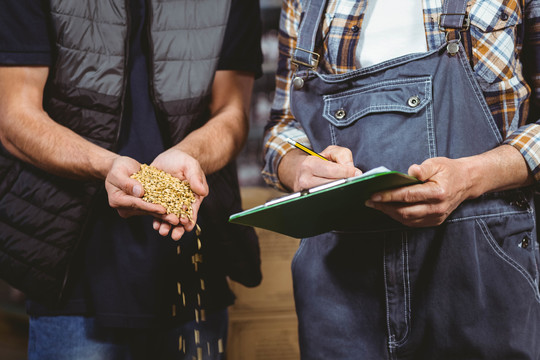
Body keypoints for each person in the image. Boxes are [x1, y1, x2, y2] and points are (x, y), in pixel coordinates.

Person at [263, 0, 540, 358]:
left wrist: (472, 177)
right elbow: (282, 128)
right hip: (341, 287)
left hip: (481, 271)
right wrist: (299, 166)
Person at [0, 0, 262, 359]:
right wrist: (106, 165)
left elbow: (233, 110)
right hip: (75, 264)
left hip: (194, 247)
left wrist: (190, 155)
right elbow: (15, 116)